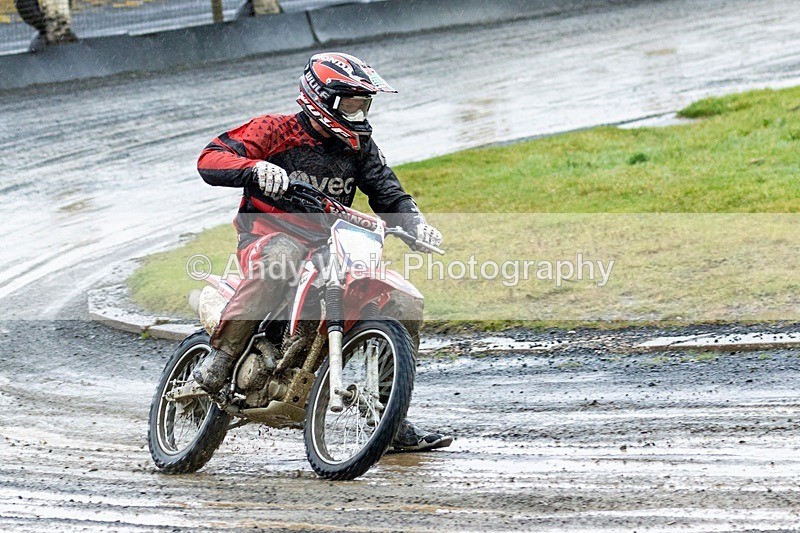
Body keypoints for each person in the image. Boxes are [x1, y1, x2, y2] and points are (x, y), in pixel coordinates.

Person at [194, 52, 452, 452]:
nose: (358, 113)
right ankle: (222, 359)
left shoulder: (359, 147)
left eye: (363, 104)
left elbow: (387, 191)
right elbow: (211, 157)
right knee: (282, 258)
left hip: (331, 245)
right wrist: (254, 169)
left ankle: (389, 418)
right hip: (268, 235)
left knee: (403, 303)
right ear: (321, 98)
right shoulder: (275, 129)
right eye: (350, 103)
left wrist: (415, 223)